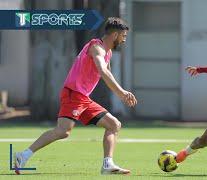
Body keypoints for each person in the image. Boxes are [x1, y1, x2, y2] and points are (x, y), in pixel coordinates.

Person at [14, 17, 137, 175]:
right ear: (114, 35)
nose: (124, 40)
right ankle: (23, 156)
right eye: (123, 36)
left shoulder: (108, 52)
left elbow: (108, 73)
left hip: (83, 98)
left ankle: (108, 164)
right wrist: (122, 93)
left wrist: (120, 91)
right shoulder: (96, 47)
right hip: (74, 94)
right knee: (63, 131)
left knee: (114, 125)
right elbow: (103, 71)